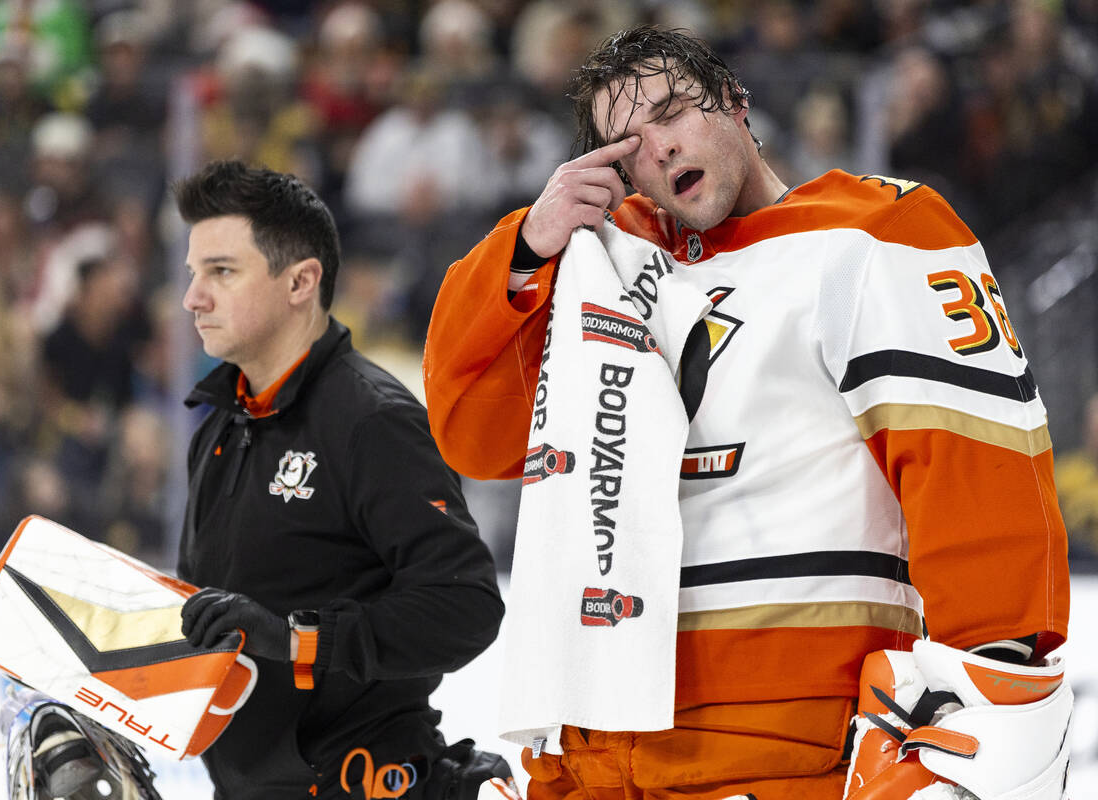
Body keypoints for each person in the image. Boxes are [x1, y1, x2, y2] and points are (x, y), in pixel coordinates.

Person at [421, 25, 1070, 800]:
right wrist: (526, 247)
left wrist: (992, 716)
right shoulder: (604, 265)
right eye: (626, 142)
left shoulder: (871, 237)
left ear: (735, 102)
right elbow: (472, 433)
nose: (657, 148)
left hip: (785, 763)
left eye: (672, 113)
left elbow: (982, 486)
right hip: (592, 761)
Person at [172, 160, 507, 799]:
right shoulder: (220, 425)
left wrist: (299, 638)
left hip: (360, 784)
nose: (194, 297)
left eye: (221, 271)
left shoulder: (370, 420)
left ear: (301, 282)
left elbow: (466, 608)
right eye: (194, 273)